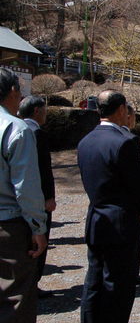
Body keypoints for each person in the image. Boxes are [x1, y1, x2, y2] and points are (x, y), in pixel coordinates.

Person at [77, 90, 140, 323]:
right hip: (122, 222)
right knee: (118, 285)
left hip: (96, 217)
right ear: (121, 110)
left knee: (94, 280)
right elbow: (137, 185)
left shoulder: (85, 140)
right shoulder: (126, 141)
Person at [0, 69, 48, 322]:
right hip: (8, 225)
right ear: (12, 92)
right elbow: (26, 187)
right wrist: (38, 227)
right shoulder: (16, 128)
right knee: (15, 299)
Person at [18, 95, 56, 298]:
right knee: (39, 238)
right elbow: (43, 170)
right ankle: (32, 283)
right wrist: (49, 196)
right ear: (36, 111)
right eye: (45, 110)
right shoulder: (36, 133)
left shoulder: (15, 128)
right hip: (38, 197)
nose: (46, 114)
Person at [121, 103, 140, 286]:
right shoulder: (129, 139)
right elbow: (136, 177)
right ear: (126, 116)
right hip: (129, 204)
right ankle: (130, 272)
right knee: (132, 241)